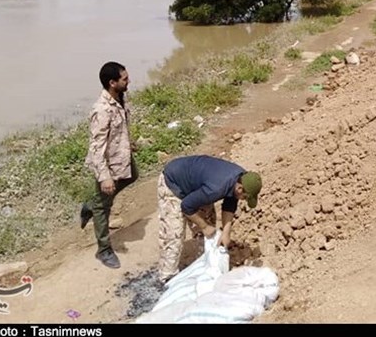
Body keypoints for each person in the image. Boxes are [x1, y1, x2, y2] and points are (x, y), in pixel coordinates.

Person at [157, 155, 262, 283]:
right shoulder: (216, 189)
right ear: (239, 188)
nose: (244, 200)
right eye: (245, 197)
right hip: (173, 183)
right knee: (174, 235)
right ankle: (167, 278)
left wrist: (226, 232)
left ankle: (203, 263)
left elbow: (230, 204)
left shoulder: (240, 179)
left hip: (197, 185)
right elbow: (186, 206)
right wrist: (204, 226)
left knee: (210, 230)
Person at [81, 61, 139, 269]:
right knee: (103, 207)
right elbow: (96, 147)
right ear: (112, 83)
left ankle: (91, 205)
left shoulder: (120, 99)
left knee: (134, 175)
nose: (128, 80)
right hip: (108, 164)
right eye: (124, 79)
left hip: (120, 157)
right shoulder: (102, 110)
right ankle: (103, 250)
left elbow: (120, 128)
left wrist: (128, 143)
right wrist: (104, 176)